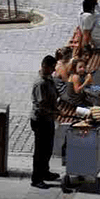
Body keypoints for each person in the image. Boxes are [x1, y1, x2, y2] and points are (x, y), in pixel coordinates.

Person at [30, 56, 61, 188]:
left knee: (48, 148)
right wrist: (55, 112)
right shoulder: (40, 83)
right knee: (40, 151)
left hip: (48, 118)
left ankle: (45, 172)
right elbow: (41, 105)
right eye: (52, 67)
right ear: (45, 66)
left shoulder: (49, 79)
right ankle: (36, 178)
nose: (54, 70)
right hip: (41, 120)